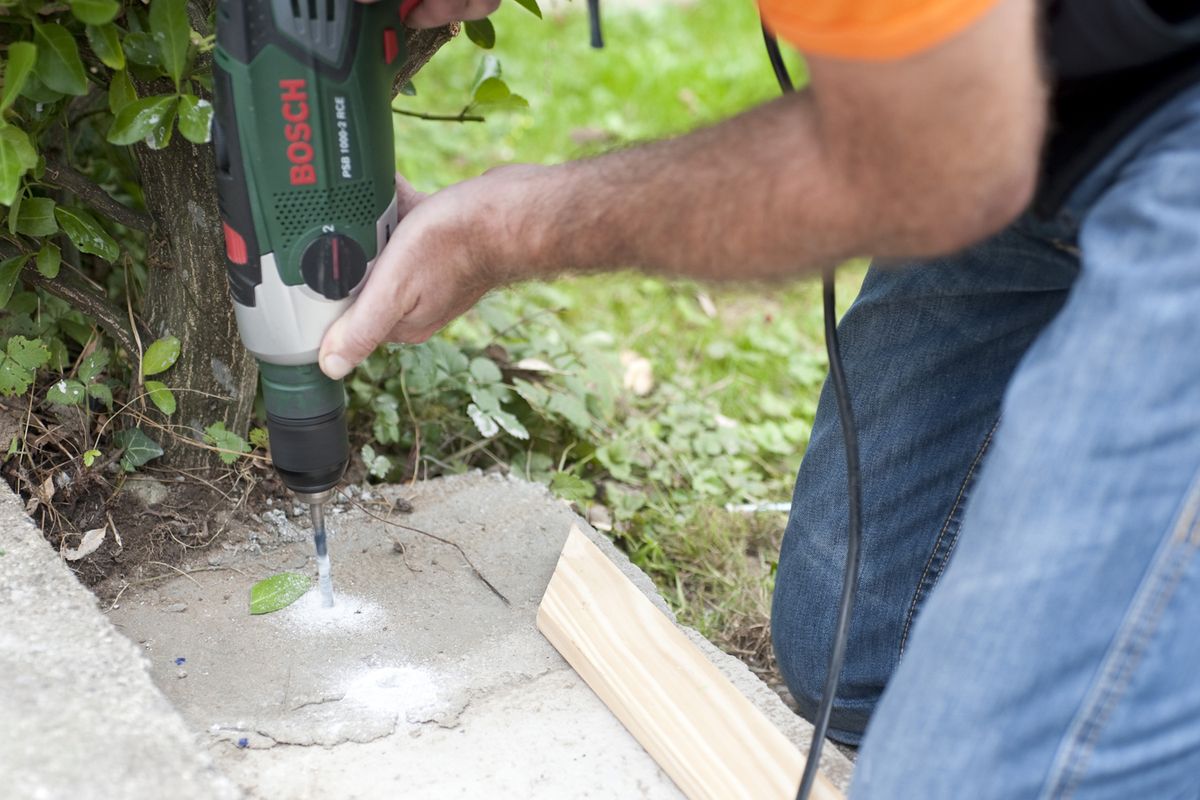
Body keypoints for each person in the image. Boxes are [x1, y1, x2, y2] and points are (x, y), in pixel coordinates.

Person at [333, 1, 1200, 795]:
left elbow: (923, 159)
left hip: (1124, 131)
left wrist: (503, 230)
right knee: (855, 663)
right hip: (1053, 94)